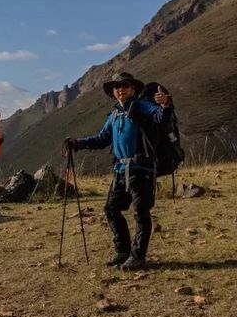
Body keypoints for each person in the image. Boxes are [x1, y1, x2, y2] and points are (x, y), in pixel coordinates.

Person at [65, 72, 171, 271]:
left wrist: (165, 105)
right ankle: (122, 251)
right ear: (113, 92)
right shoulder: (114, 115)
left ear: (132, 88)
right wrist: (78, 143)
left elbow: (159, 117)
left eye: (124, 85)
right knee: (111, 209)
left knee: (141, 213)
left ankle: (138, 257)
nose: (120, 89)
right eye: (116, 86)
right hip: (121, 170)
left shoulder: (142, 106)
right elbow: (102, 138)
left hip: (141, 170)